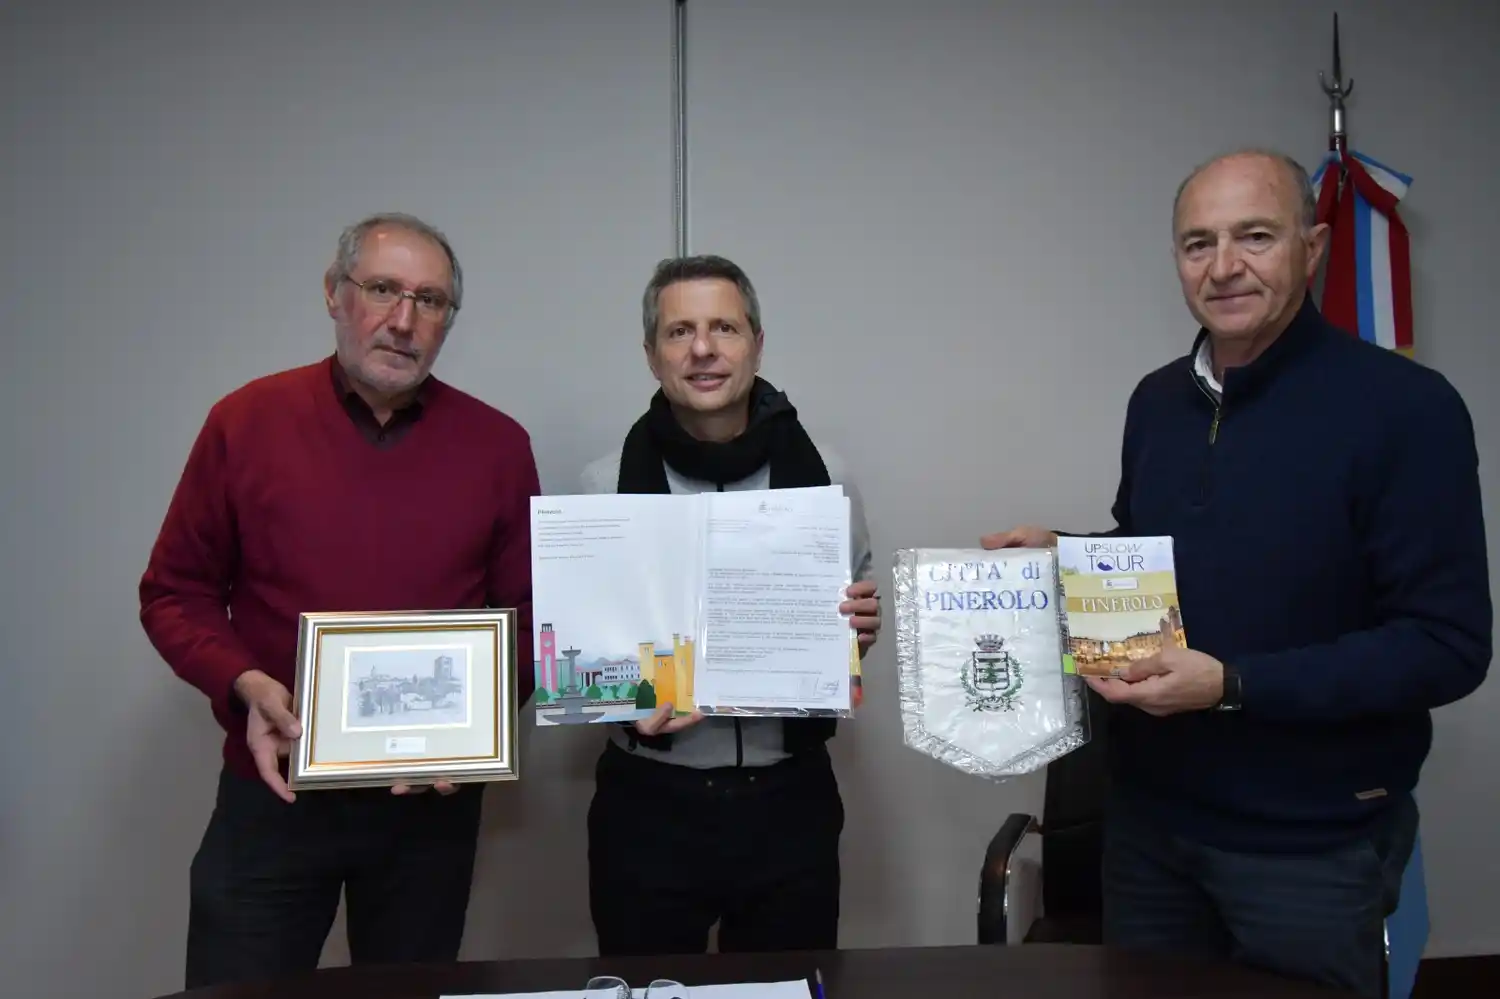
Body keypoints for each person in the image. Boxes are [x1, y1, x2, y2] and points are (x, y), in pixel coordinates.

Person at [982, 149, 1490, 998]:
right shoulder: (1156, 401)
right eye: (1197, 243)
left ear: (1313, 245)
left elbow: (1447, 645)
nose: (1223, 267)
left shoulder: (1408, 408)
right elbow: (1157, 559)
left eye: (1254, 236)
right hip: (1148, 824)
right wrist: (1066, 555)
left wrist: (1233, 684)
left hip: (1312, 842)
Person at [139, 212, 540, 989]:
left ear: (448, 320)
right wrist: (245, 683)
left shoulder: (497, 445)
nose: (403, 320)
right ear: (334, 293)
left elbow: (528, 625)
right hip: (275, 790)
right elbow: (174, 592)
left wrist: (476, 729)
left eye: (430, 301)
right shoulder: (246, 422)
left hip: (428, 811)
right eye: (383, 289)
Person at [580, 254, 881, 956]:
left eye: (724, 327)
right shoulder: (602, 487)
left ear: (756, 342)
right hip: (649, 800)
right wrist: (612, 684)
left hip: (788, 800)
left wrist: (858, 631)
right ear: (652, 354)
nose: (704, 348)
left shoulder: (826, 476)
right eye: (680, 330)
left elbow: (852, 611)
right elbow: (591, 650)